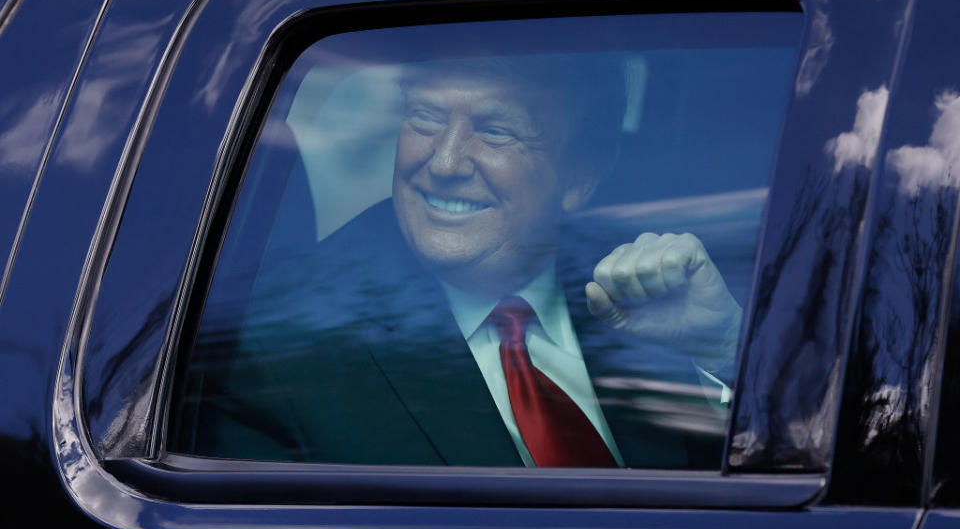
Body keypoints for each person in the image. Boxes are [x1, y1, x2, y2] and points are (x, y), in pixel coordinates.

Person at [185, 56, 742, 469]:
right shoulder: (277, 338)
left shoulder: (647, 283)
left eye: (496, 130)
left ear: (580, 177)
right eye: (425, 118)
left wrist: (720, 350)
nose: (445, 162)